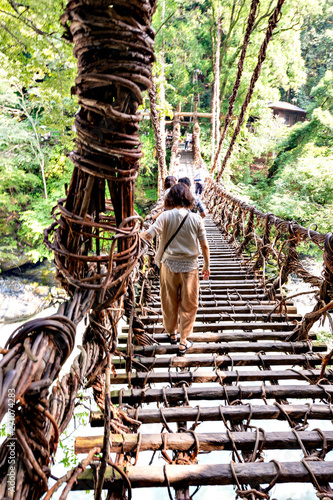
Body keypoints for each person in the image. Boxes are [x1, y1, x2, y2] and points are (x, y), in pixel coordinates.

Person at [140, 183, 210, 356]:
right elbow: (205, 246)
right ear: (188, 198)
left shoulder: (164, 216)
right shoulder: (196, 218)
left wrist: (132, 235)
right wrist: (206, 266)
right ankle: (183, 341)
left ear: (170, 198)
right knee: (189, 304)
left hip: (168, 265)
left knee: (169, 301)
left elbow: (149, 235)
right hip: (190, 267)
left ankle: (172, 333)